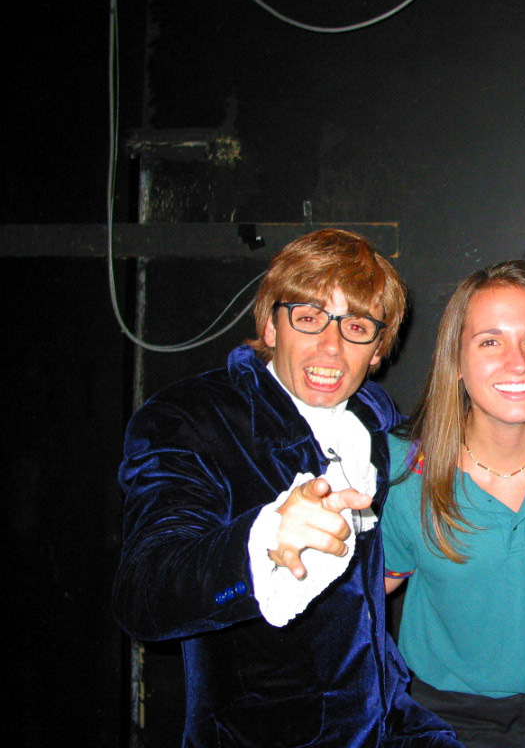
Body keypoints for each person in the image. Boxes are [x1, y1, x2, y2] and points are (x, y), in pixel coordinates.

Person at [113, 229, 461, 748]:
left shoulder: (382, 431)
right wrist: (264, 539)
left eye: (357, 326)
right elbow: (145, 594)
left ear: (377, 351)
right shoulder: (191, 420)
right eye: (308, 317)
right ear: (272, 327)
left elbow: (476, 433)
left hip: (390, 728)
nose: (331, 346)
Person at [379, 260, 525, 748]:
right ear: (457, 362)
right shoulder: (402, 470)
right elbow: (367, 590)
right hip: (447, 716)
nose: (517, 363)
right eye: (490, 341)